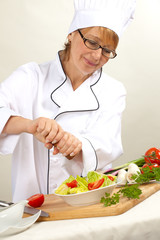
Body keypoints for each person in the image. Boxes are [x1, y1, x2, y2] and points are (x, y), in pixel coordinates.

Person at [0, 0, 136, 202]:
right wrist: (30, 125)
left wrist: (78, 146)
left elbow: (109, 144)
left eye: (107, 50)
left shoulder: (113, 90)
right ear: (72, 34)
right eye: (92, 42)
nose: (97, 55)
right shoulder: (31, 77)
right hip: (31, 206)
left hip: (86, 205)